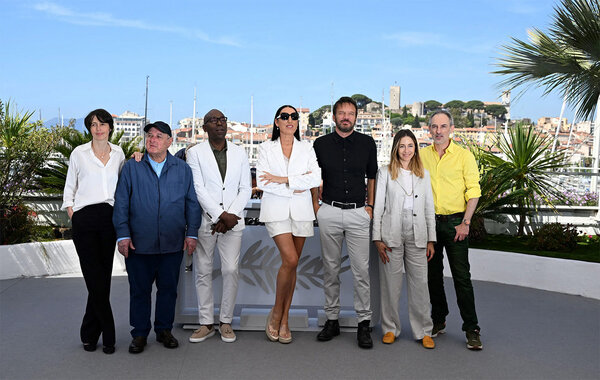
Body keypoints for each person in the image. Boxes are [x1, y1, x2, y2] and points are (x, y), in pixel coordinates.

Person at [113, 121, 201, 354]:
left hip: (172, 243)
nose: (152, 139)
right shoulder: (132, 167)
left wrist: (192, 232)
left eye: (159, 136)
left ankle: (164, 330)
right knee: (139, 290)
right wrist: (123, 235)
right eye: (149, 135)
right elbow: (121, 203)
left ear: (170, 142)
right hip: (139, 243)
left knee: (168, 289)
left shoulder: (182, 170)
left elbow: (192, 203)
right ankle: (140, 334)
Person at [312, 96, 378, 349]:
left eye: (350, 113)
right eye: (342, 113)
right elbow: (313, 178)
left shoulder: (367, 143)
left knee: (361, 272)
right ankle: (332, 320)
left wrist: (370, 206)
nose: (346, 117)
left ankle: (364, 324)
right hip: (328, 211)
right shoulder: (320, 144)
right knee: (330, 270)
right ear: (334, 116)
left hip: (359, 213)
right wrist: (316, 207)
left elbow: (372, 177)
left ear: (356, 118)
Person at [62, 109, 125, 354]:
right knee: (93, 276)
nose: (98, 128)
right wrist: (72, 213)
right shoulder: (79, 153)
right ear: (89, 128)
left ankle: (89, 334)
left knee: (102, 277)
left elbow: (124, 183)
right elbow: (70, 186)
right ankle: (108, 333)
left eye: (102, 124)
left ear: (110, 126)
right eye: (93, 124)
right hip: (85, 218)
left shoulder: (119, 153)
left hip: (109, 217)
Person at [185, 109, 252, 343]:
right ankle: (206, 323)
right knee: (202, 271)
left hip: (232, 223)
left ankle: (225, 321)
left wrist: (231, 215)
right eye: (214, 121)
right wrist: (220, 215)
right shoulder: (194, 153)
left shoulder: (240, 152)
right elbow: (198, 188)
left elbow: (246, 188)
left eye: (223, 120)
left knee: (231, 271)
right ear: (205, 127)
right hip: (207, 221)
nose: (220, 124)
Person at [257, 105, 321, 343]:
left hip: (302, 211)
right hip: (276, 211)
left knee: (292, 266)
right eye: (285, 117)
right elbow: (264, 182)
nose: (290, 120)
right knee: (291, 259)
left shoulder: (307, 147)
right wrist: (296, 184)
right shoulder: (265, 148)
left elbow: (315, 177)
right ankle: (275, 312)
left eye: (294, 116)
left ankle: (284, 319)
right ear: (277, 122)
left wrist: (283, 180)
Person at [420, 109, 483, 350]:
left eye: (443, 126)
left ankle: (472, 328)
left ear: (451, 129)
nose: (438, 131)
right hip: (430, 225)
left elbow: (473, 191)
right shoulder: (421, 155)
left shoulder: (464, 156)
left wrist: (466, 222)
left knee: (462, 278)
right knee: (432, 277)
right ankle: (439, 319)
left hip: (457, 224)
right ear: (429, 129)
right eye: (434, 126)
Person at [372, 129, 436, 349]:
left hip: (418, 233)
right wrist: (377, 238)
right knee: (390, 284)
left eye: (410, 146)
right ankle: (390, 329)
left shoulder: (423, 174)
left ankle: (424, 331)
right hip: (391, 233)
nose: (406, 150)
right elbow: (379, 206)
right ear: (395, 148)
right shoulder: (385, 173)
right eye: (402, 146)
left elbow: (429, 208)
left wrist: (431, 240)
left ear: (415, 148)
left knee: (420, 286)